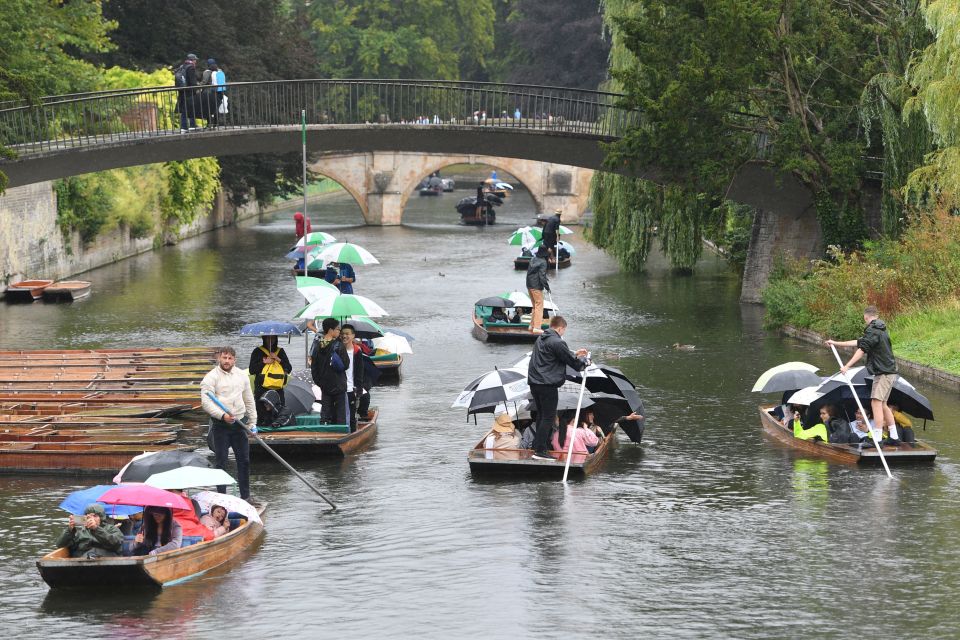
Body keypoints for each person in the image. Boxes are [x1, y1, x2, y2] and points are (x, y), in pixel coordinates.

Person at [826, 306, 901, 444]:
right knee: (883, 404)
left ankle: (877, 438)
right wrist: (835, 343)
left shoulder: (872, 330)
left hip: (884, 373)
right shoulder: (880, 329)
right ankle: (894, 437)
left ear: (866, 317)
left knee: (876, 403)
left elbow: (861, 349)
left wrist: (847, 366)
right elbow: (858, 342)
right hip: (888, 372)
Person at [527, 316, 589, 461]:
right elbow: (574, 364)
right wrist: (585, 362)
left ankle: (537, 446)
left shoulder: (541, 338)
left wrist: (575, 354)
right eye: (563, 331)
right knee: (548, 417)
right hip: (547, 384)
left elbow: (556, 356)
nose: (563, 334)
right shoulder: (557, 341)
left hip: (535, 383)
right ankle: (540, 451)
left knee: (542, 416)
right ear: (560, 328)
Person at [200, 347, 257, 501]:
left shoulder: (241, 376)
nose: (226, 361)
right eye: (224, 358)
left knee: (244, 461)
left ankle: (246, 496)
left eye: (230, 358)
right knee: (221, 462)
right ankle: (221, 498)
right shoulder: (210, 377)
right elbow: (206, 403)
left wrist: (253, 422)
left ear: (234, 360)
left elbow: (249, 399)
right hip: (221, 425)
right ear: (219, 358)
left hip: (239, 423)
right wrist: (222, 415)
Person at [311, 318, 349, 425]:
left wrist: (320, 382)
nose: (339, 331)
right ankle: (341, 434)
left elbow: (314, 367)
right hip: (339, 384)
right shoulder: (339, 345)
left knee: (326, 413)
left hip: (325, 385)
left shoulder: (317, 345)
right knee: (340, 414)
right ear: (331, 330)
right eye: (338, 329)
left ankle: (325, 433)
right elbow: (346, 365)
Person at [248, 335, 292, 424]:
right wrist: (264, 362)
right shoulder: (257, 351)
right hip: (261, 387)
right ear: (264, 339)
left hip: (277, 387)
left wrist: (278, 359)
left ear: (276, 339)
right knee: (262, 411)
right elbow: (252, 370)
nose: (270, 340)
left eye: (273, 338)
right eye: (268, 338)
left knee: (278, 410)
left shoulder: (280, 351)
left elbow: (289, 368)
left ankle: (278, 426)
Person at [55, 504, 123, 559]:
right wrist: (70, 530)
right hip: (83, 563)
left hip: (106, 562)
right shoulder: (80, 532)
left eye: (95, 516)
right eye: (88, 517)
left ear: (101, 518)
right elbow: (60, 545)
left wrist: (96, 529)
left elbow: (115, 543)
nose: (91, 519)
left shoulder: (112, 529)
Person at [340, 323, 367, 432]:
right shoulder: (337, 349)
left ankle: (352, 434)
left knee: (351, 415)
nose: (344, 336)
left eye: (347, 334)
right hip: (339, 388)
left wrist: (359, 388)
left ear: (353, 336)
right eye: (342, 334)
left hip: (351, 388)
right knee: (339, 414)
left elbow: (359, 371)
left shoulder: (357, 351)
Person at [526, 245, 551, 334]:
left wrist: (545, 278)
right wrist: (547, 287)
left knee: (535, 306)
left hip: (529, 285)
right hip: (536, 286)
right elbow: (541, 276)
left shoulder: (533, 259)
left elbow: (533, 273)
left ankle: (531, 326)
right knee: (539, 306)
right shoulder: (543, 262)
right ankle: (537, 327)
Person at [174, 53, 199, 132]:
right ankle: (188, 126)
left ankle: (187, 126)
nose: (196, 62)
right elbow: (192, 81)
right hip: (189, 91)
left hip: (183, 90)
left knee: (186, 108)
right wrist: (196, 89)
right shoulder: (191, 67)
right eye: (195, 60)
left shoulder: (182, 66)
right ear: (192, 60)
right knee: (190, 108)